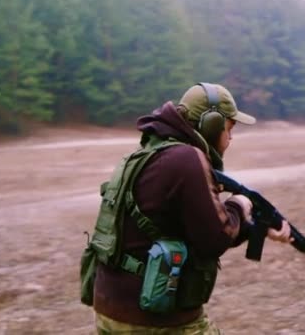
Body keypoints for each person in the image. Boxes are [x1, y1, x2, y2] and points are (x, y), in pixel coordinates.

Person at [92, 82, 293, 334]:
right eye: (229, 129)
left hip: (112, 309)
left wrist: (258, 230)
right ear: (211, 125)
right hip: (152, 317)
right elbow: (215, 239)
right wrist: (239, 204)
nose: (230, 138)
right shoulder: (187, 158)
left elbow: (201, 227)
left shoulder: (154, 151)